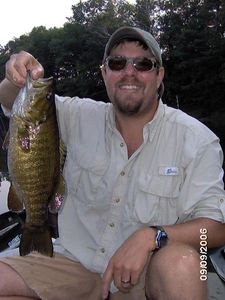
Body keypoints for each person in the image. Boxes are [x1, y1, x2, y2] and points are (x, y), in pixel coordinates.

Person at [0, 26, 224, 300]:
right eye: (117, 63)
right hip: (74, 262)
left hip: (145, 274)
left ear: (159, 75)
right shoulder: (76, 115)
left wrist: (153, 237)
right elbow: (14, 101)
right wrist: (18, 74)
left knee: (186, 263)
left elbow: (215, 230)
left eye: (143, 64)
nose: (129, 72)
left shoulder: (198, 140)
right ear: (105, 73)